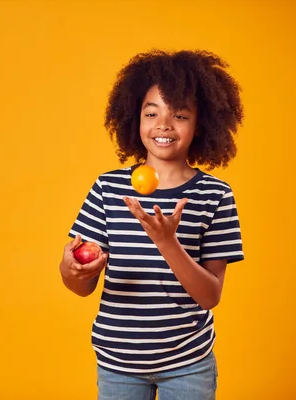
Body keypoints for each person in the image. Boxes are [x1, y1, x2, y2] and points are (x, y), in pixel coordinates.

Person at [59, 49, 245, 400]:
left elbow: (210, 296)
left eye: (179, 115)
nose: (163, 124)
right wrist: (73, 271)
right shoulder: (108, 188)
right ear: (135, 118)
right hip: (117, 363)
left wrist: (167, 242)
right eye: (151, 113)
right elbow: (81, 287)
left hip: (189, 363)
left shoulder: (215, 195)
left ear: (200, 124)